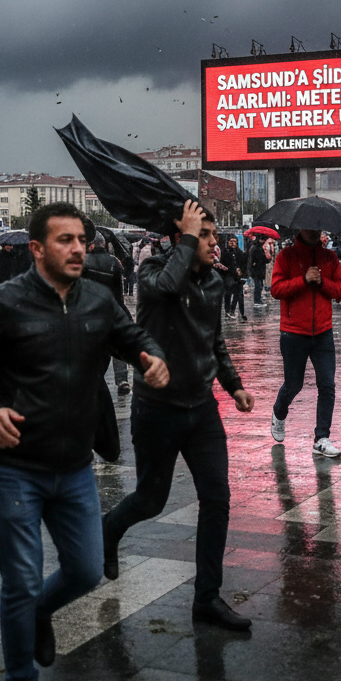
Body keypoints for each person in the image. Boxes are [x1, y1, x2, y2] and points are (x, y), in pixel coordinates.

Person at [0, 203, 167, 681]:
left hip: (73, 468)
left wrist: (151, 356)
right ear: (37, 249)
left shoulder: (97, 299)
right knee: (20, 579)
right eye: (65, 240)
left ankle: (39, 613)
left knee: (87, 571)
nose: (78, 248)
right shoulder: (5, 302)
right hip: (14, 465)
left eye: (81, 240)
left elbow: (133, 337)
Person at [102, 201, 255, 631]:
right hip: (157, 409)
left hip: (202, 409)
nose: (214, 242)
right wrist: (186, 238)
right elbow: (168, 287)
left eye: (212, 235)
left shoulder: (214, 282)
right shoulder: (152, 271)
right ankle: (109, 529)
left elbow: (214, 341)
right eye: (204, 234)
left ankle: (206, 597)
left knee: (217, 499)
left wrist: (235, 384)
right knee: (151, 500)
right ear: (181, 237)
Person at [269, 227, 341, 457]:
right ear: (300, 229)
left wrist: (322, 282)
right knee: (293, 385)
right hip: (293, 332)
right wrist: (304, 280)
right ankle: (279, 410)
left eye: (318, 228)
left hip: (323, 331)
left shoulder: (329, 257)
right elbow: (276, 289)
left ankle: (321, 437)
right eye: (309, 228)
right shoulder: (286, 256)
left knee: (327, 385)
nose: (314, 232)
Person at [83, 233, 131, 394]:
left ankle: (95, 378)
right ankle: (122, 380)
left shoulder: (83, 262)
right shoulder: (114, 262)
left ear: (90, 245)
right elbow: (119, 292)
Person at [219, 234, 247, 320]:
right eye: (231, 242)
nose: (233, 243)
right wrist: (233, 270)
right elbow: (223, 265)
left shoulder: (240, 253)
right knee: (228, 295)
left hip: (238, 278)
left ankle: (240, 312)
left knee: (239, 296)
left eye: (235, 242)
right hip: (228, 277)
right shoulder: (225, 253)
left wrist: (241, 271)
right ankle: (228, 311)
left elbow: (244, 264)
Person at [247, 235, 268, 305]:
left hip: (260, 270)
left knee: (260, 285)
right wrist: (252, 267)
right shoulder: (254, 248)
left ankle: (258, 300)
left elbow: (264, 259)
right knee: (258, 286)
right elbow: (251, 260)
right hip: (256, 270)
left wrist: (267, 258)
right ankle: (257, 300)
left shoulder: (260, 248)